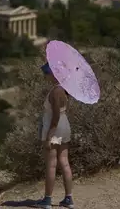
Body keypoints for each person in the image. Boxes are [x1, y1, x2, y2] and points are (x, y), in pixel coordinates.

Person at [34, 62, 74, 209]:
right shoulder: (64, 90)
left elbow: (55, 116)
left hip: (55, 131)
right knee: (64, 161)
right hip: (65, 128)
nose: (45, 77)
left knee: (51, 164)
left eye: (46, 74)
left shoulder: (55, 92)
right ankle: (69, 198)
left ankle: (47, 200)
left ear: (52, 74)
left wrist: (49, 136)